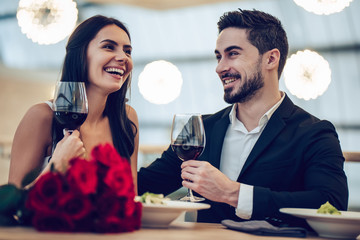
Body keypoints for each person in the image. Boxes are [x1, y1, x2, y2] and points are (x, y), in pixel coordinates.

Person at [138, 9, 348, 227]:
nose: (220, 67)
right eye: (219, 56)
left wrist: (234, 194)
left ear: (271, 59)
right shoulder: (201, 130)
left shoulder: (314, 132)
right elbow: (144, 185)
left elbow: (331, 204)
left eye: (233, 54)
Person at [8, 15, 139, 192]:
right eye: (108, 47)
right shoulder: (42, 116)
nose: (123, 57)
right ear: (81, 55)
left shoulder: (127, 118)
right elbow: (11, 211)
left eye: (127, 51)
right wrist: (55, 166)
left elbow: (130, 198)